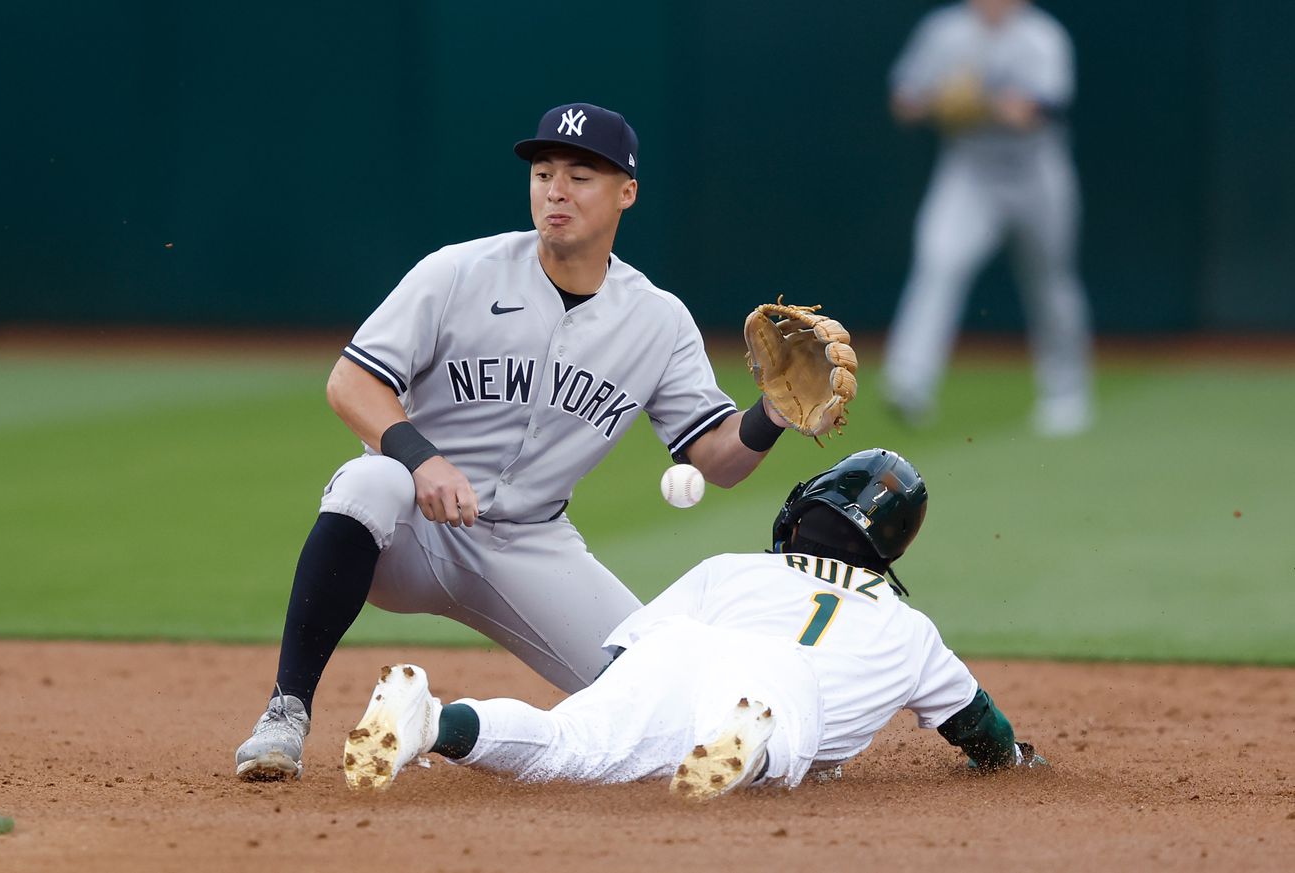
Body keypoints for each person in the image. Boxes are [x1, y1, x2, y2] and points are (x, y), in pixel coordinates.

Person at [234, 102, 813, 781]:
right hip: (412, 528)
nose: (555, 189)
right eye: (543, 173)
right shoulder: (458, 272)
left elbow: (717, 459)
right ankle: (285, 711)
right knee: (366, 481)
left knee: (653, 686)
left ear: (626, 192)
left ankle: (430, 719)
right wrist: (422, 458)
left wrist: (772, 411)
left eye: (579, 175)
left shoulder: (657, 321)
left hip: (530, 547)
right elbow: (350, 382)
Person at [341, 448, 1048, 800]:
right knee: (789, 723)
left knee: (568, 742)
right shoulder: (910, 629)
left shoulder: (733, 567)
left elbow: (624, 659)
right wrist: (1012, 759)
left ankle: (432, 720)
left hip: (685, 652)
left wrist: (630, 710)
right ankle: (750, 744)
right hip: (780, 686)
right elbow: (980, 727)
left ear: (808, 510)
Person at [882, 0, 1094, 436]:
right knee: (938, 263)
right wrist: (936, 100)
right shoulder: (944, 32)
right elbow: (903, 101)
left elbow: (1037, 111)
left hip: (1036, 173)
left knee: (1050, 279)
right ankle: (909, 382)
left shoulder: (1041, 36)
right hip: (970, 172)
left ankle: (1067, 393)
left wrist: (977, 101)